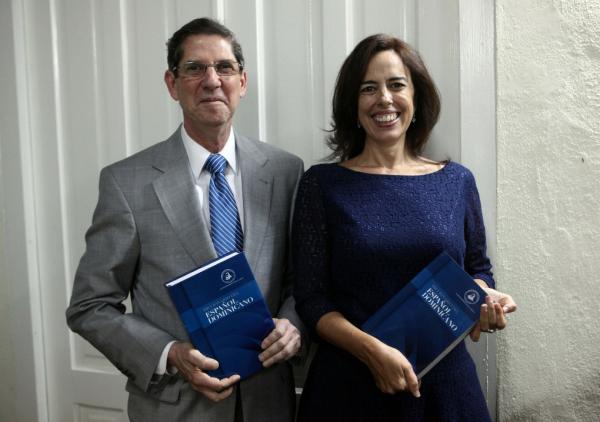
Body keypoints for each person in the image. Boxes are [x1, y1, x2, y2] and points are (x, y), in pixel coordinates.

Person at [66, 17, 304, 422]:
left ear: (242, 82)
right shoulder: (126, 183)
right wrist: (169, 354)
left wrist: (293, 323)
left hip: (270, 404)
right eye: (195, 68)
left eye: (224, 68)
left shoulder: (285, 171)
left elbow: (300, 279)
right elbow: (89, 306)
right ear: (172, 84)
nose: (211, 80)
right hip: (175, 407)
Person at [292, 34, 517, 422]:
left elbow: (478, 269)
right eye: (368, 88)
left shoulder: (456, 181)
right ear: (353, 103)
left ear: (416, 97)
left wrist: (483, 299)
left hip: (444, 392)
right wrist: (371, 352)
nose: (384, 99)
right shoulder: (322, 184)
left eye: (397, 84)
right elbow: (311, 299)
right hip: (349, 389)